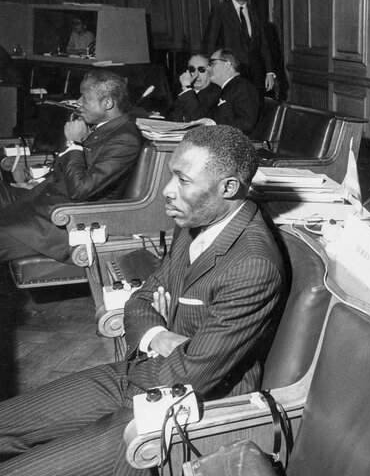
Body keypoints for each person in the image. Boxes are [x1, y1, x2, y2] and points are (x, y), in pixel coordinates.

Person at [0, 125, 287, 475]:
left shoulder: (252, 264)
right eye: (171, 175)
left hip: (181, 411)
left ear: (228, 187)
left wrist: (156, 339)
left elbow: (188, 376)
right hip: (138, 373)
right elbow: (141, 300)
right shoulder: (196, 218)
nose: (167, 191)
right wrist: (159, 336)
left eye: (183, 180)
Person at [0, 69, 143, 263]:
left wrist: (74, 144)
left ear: (108, 103)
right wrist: (38, 180)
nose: (78, 102)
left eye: (85, 97)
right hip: (43, 201)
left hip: (59, 224)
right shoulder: (104, 128)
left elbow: (81, 191)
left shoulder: (125, 139)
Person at [202, 0, 275, 94]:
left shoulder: (256, 13)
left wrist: (270, 72)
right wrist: (208, 72)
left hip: (255, 78)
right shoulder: (220, 10)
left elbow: (264, 45)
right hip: (230, 76)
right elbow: (210, 43)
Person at [193, 49, 261, 139]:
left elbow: (246, 123)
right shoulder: (226, 88)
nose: (208, 68)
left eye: (212, 63)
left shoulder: (243, 87)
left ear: (227, 65)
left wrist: (214, 126)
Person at [165, 54, 221, 122]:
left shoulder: (216, 91)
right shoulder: (183, 90)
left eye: (201, 69)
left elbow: (199, 119)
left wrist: (187, 88)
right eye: (192, 69)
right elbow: (171, 117)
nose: (196, 74)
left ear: (209, 71)